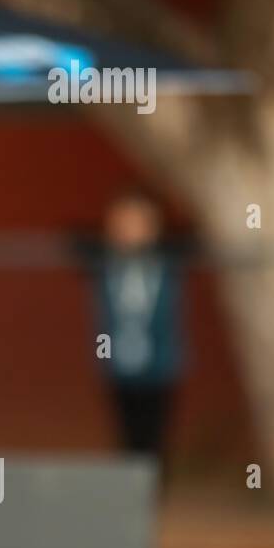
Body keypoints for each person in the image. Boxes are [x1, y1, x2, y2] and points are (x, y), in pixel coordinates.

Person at [80, 188, 188, 484]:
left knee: (155, 436)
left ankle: (154, 494)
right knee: (127, 436)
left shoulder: (167, 265)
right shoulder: (104, 265)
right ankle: (129, 492)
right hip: (118, 366)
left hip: (159, 367)